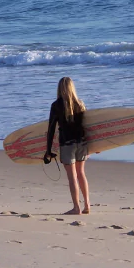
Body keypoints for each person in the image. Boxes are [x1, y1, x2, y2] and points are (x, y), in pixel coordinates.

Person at [44, 77, 90, 215]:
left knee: (72, 177)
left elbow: (51, 128)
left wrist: (48, 150)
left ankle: (76, 208)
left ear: (59, 88)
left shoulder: (56, 105)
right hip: (82, 142)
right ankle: (87, 205)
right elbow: (88, 126)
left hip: (67, 144)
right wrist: (95, 145)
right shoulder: (80, 103)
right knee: (81, 174)